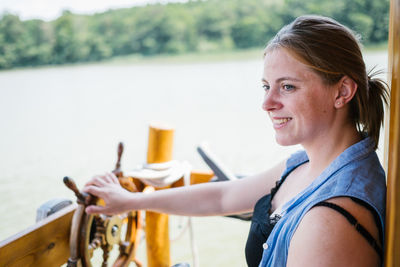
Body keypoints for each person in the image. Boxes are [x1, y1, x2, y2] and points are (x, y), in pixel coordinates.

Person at [83, 15, 388, 267]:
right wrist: (133, 201)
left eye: (288, 87)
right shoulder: (309, 164)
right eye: (267, 86)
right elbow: (223, 197)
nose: (267, 103)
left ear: (342, 92)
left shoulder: (329, 222)